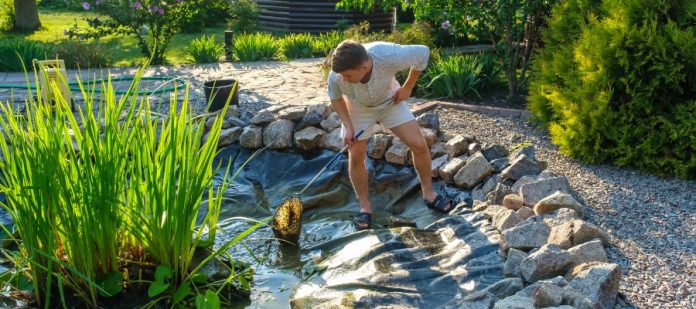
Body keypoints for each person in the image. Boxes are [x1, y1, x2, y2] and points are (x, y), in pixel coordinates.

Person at [326, 40, 453, 230]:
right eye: (341, 75)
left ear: (365, 66)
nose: (343, 79)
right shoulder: (336, 76)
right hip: (358, 107)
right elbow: (335, 98)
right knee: (357, 154)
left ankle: (429, 194)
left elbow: (423, 53)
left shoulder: (386, 54)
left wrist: (408, 87)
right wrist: (348, 126)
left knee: (418, 144)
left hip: (390, 101)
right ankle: (365, 207)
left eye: (348, 75)